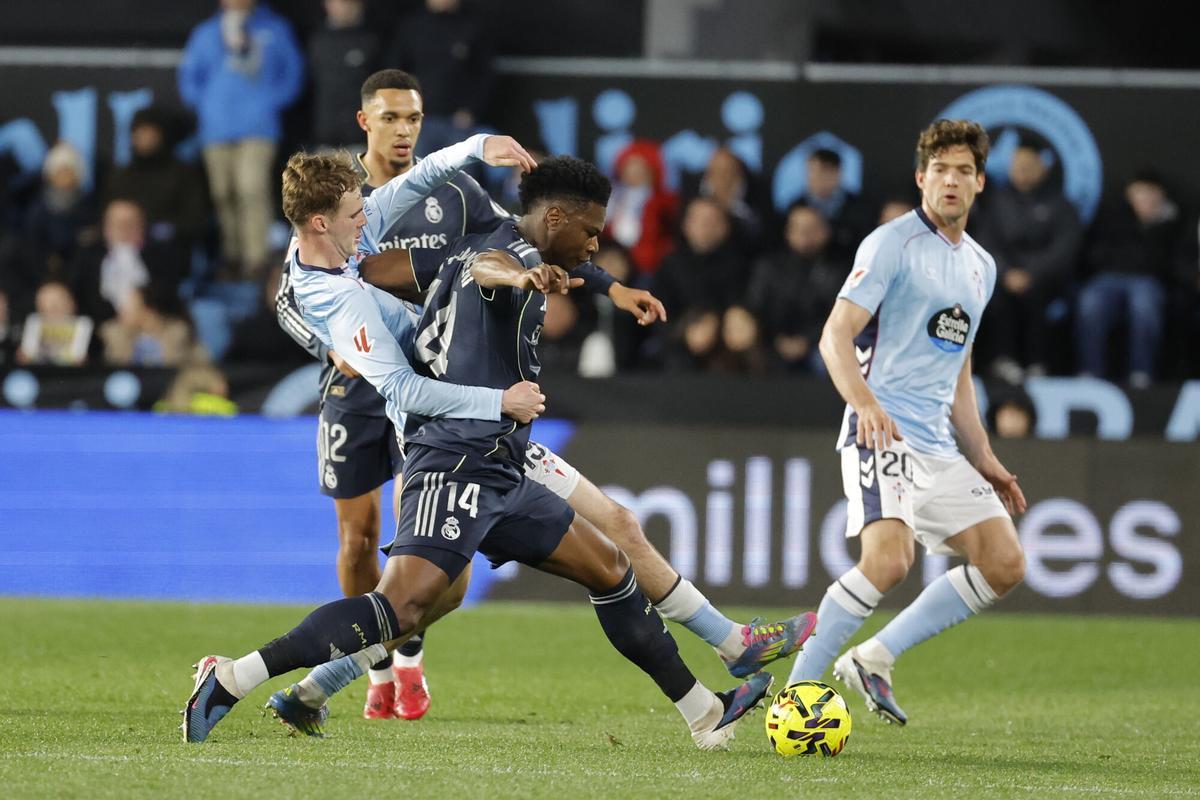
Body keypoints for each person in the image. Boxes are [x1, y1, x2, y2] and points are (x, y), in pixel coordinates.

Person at [185, 146, 783, 751]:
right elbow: (481, 278)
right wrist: (506, 366)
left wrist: (479, 154)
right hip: (450, 456)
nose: (367, 217)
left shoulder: (482, 230)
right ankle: (234, 677)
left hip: (499, 461)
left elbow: (436, 197)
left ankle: (705, 713)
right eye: (592, 232)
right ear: (321, 222)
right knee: (402, 609)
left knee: (609, 567)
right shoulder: (359, 293)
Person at [787, 120, 1027, 727]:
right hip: (881, 431)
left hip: (938, 443)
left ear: (979, 183)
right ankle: (795, 695)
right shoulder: (890, 244)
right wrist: (866, 404)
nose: (952, 180)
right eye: (940, 169)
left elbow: (959, 374)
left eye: (964, 170)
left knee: (1004, 563)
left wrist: (985, 456)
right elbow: (834, 335)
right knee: (889, 561)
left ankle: (874, 656)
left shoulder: (981, 267)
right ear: (922, 178)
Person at [178, 0, 304, 279]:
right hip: (216, 128)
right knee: (222, 193)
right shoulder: (206, 32)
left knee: (251, 188)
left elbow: (292, 72)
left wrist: (268, 102)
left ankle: (255, 259)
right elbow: (189, 77)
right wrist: (206, 105)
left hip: (258, 127)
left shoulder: (274, 28)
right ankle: (232, 257)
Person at [972, 143, 1082, 382]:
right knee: (996, 296)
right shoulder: (998, 203)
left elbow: (1065, 249)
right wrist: (1006, 273)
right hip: (1006, 277)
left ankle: (1037, 364)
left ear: (1042, 169)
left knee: (1038, 296)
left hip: (1046, 279)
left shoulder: (1061, 204)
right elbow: (986, 244)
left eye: (1028, 166)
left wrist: (1032, 273)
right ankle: (1003, 361)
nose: (1022, 171)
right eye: (1017, 166)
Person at [1074, 171, 1183, 388]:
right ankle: (1090, 371)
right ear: (1129, 194)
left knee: (1144, 305)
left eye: (1150, 194)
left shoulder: (1173, 222)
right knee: (1090, 301)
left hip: (1148, 281)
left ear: (1161, 195)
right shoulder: (1113, 215)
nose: (1144, 199)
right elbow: (1094, 252)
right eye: (1139, 193)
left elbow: (1173, 262)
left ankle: (1141, 372)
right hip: (1109, 278)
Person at [308, 0, 380, 150]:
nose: (345, 8)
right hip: (324, 141)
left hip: (361, 142)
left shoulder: (372, 41)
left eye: (351, 4)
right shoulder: (317, 41)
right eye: (340, 3)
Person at [604, 140, 677, 280]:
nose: (633, 172)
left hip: (650, 265)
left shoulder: (665, 201)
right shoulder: (612, 198)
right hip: (616, 259)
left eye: (639, 167)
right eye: (629, 166)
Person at [797, 148, 874, 265]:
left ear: (837, 173)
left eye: (823, 171)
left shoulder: (860, 207)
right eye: (811, 171)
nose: (815, 177)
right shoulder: (796, 206)